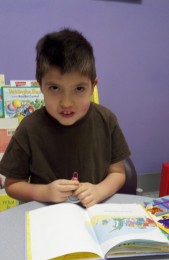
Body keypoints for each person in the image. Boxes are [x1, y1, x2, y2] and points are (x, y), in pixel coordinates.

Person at [0, 28, 130, 208]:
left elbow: (118, 173)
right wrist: (44, 192)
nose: (67, 103)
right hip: (46, 217)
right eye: (55, 88)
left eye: (79, 89)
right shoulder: (29, 128)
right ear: (41, 86)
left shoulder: (107, 120)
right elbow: (12, 185)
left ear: (93, 87)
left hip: (94, 215)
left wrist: (99, 190)